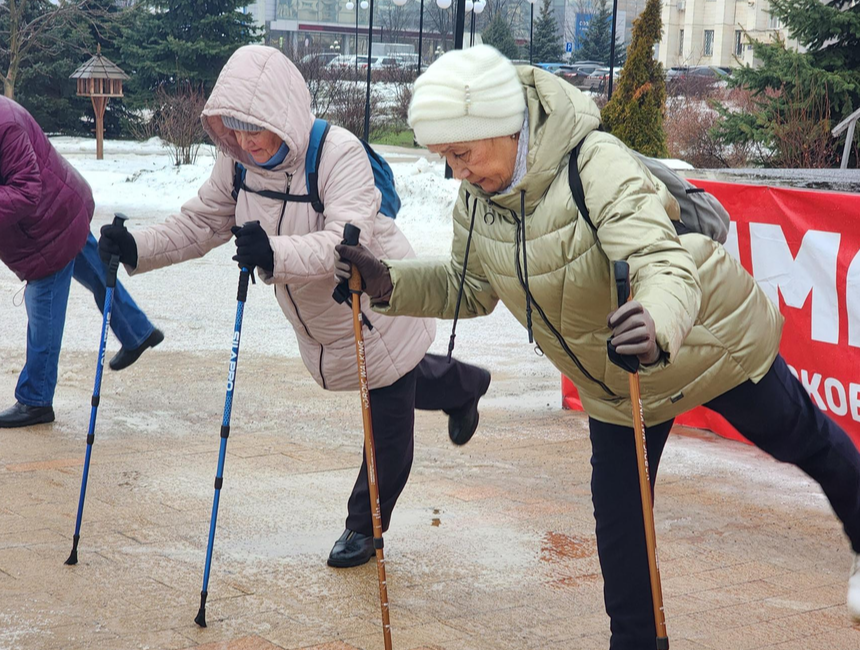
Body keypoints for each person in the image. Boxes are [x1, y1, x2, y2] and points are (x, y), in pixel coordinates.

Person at [335, 45, 860, 650]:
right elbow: (468, 286)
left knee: (800, 439)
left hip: (700, 342)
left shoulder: (594, 165)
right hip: (619, 376)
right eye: (445, 156)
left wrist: (659, 325)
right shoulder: (479, 199)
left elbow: (661, 261)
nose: (454, 169)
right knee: (621, 514)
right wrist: (386, 283)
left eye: (462, 152)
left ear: (504, 124)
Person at [98, 45, 491, 568]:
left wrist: (273, 253)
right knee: (414, 378)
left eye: (252, 127)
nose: (241, 139)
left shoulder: (337, 154)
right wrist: (137, 247)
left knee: (387, 418)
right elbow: (202, 222)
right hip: (322, 321)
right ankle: (466, 386)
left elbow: (347, 243)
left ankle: (365, 527)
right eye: (231, 127)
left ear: (280, 117)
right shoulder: (237, 162)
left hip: (374, 303)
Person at [0, 97, 163, 429]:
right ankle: (137, 332)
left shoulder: (6, 126)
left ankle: (36, 400)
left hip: (48, 226)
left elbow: (26, 190)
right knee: (100, 275)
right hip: (62, 207)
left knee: (43, 308)